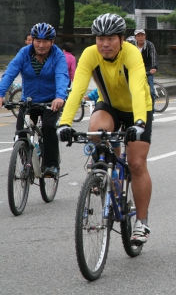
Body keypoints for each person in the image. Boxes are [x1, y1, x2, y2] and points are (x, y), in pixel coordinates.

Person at [57, 13, 153, 244]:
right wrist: (65, 123)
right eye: (100, 38)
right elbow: (78, 89)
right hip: (109, 105)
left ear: (121, 38)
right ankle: (106, 172)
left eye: (110, 38)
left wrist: (139, 122)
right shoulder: (90, 54)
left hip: (137, 110)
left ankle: (141, 221)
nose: (105, 43)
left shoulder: (131, 54)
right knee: (95, 131)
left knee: (137, 163)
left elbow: (139, 88)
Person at [0, 23, 70, 177]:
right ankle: (26, 164)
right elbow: (10, 72)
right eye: (37, 41)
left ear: (52, 42)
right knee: (20, 133)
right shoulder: (24, 53)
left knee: (48, 126)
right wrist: (0, 93)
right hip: (29, 101)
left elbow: (61, 76)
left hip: (50, 101)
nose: (41, 45)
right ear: (32, 40)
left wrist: (60, 96)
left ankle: (51, 165)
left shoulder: (57, 55)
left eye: (46, 41)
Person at [127, 28, 158, 111]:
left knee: (151, 92)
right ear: (135, 37)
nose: (141, 38)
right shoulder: (132, 45)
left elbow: (153, 56)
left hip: (147, 70)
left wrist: (153, 67)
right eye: (139, 36)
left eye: (142, 35)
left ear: (145, 36)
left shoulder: (149, 45)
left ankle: (151, 111)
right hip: (135, 71)